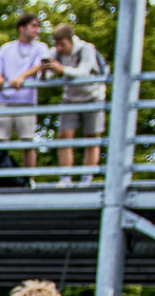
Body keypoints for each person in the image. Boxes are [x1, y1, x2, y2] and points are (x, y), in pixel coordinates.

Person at [43, 22, 109, 181]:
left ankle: (86, 179)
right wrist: (45, 70)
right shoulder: (55, 53)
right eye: (56, 44)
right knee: (64, 136)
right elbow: (45, 79)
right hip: (70, 99)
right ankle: (65, 179)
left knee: (92, 137)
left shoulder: (86, 49)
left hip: (94, 97)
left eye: (62, 44)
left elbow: (83, 71)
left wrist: (62, 69)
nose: (59, 48)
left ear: (71, 40)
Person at [0, 13, 50, 173]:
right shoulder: (6, 48)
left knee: (27, 141)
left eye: (38, 26)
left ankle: (29, 178)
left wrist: (21, 76)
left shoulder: (41, 47)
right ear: (22, 28)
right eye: (33, 26)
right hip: (5, 101)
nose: (37, 30)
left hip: (27, 101)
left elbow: (41, 65)